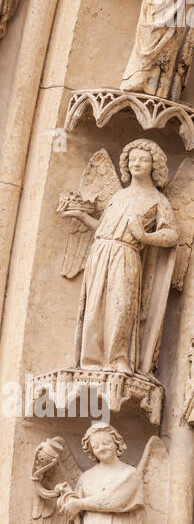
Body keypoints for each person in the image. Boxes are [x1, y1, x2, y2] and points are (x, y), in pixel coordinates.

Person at [61, 140, 178, 374]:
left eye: (143, 159)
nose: (136, 163)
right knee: (95, 307)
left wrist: (145, 236)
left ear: (154, 165)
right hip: (101, 252)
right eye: (132, 158)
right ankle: (91, 361)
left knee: (121, 307)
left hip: (126, 253)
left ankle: (118, 360)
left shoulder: (158, 200)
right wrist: (81, 217)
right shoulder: (118, 196)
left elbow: (172, 234)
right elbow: (104, 227)